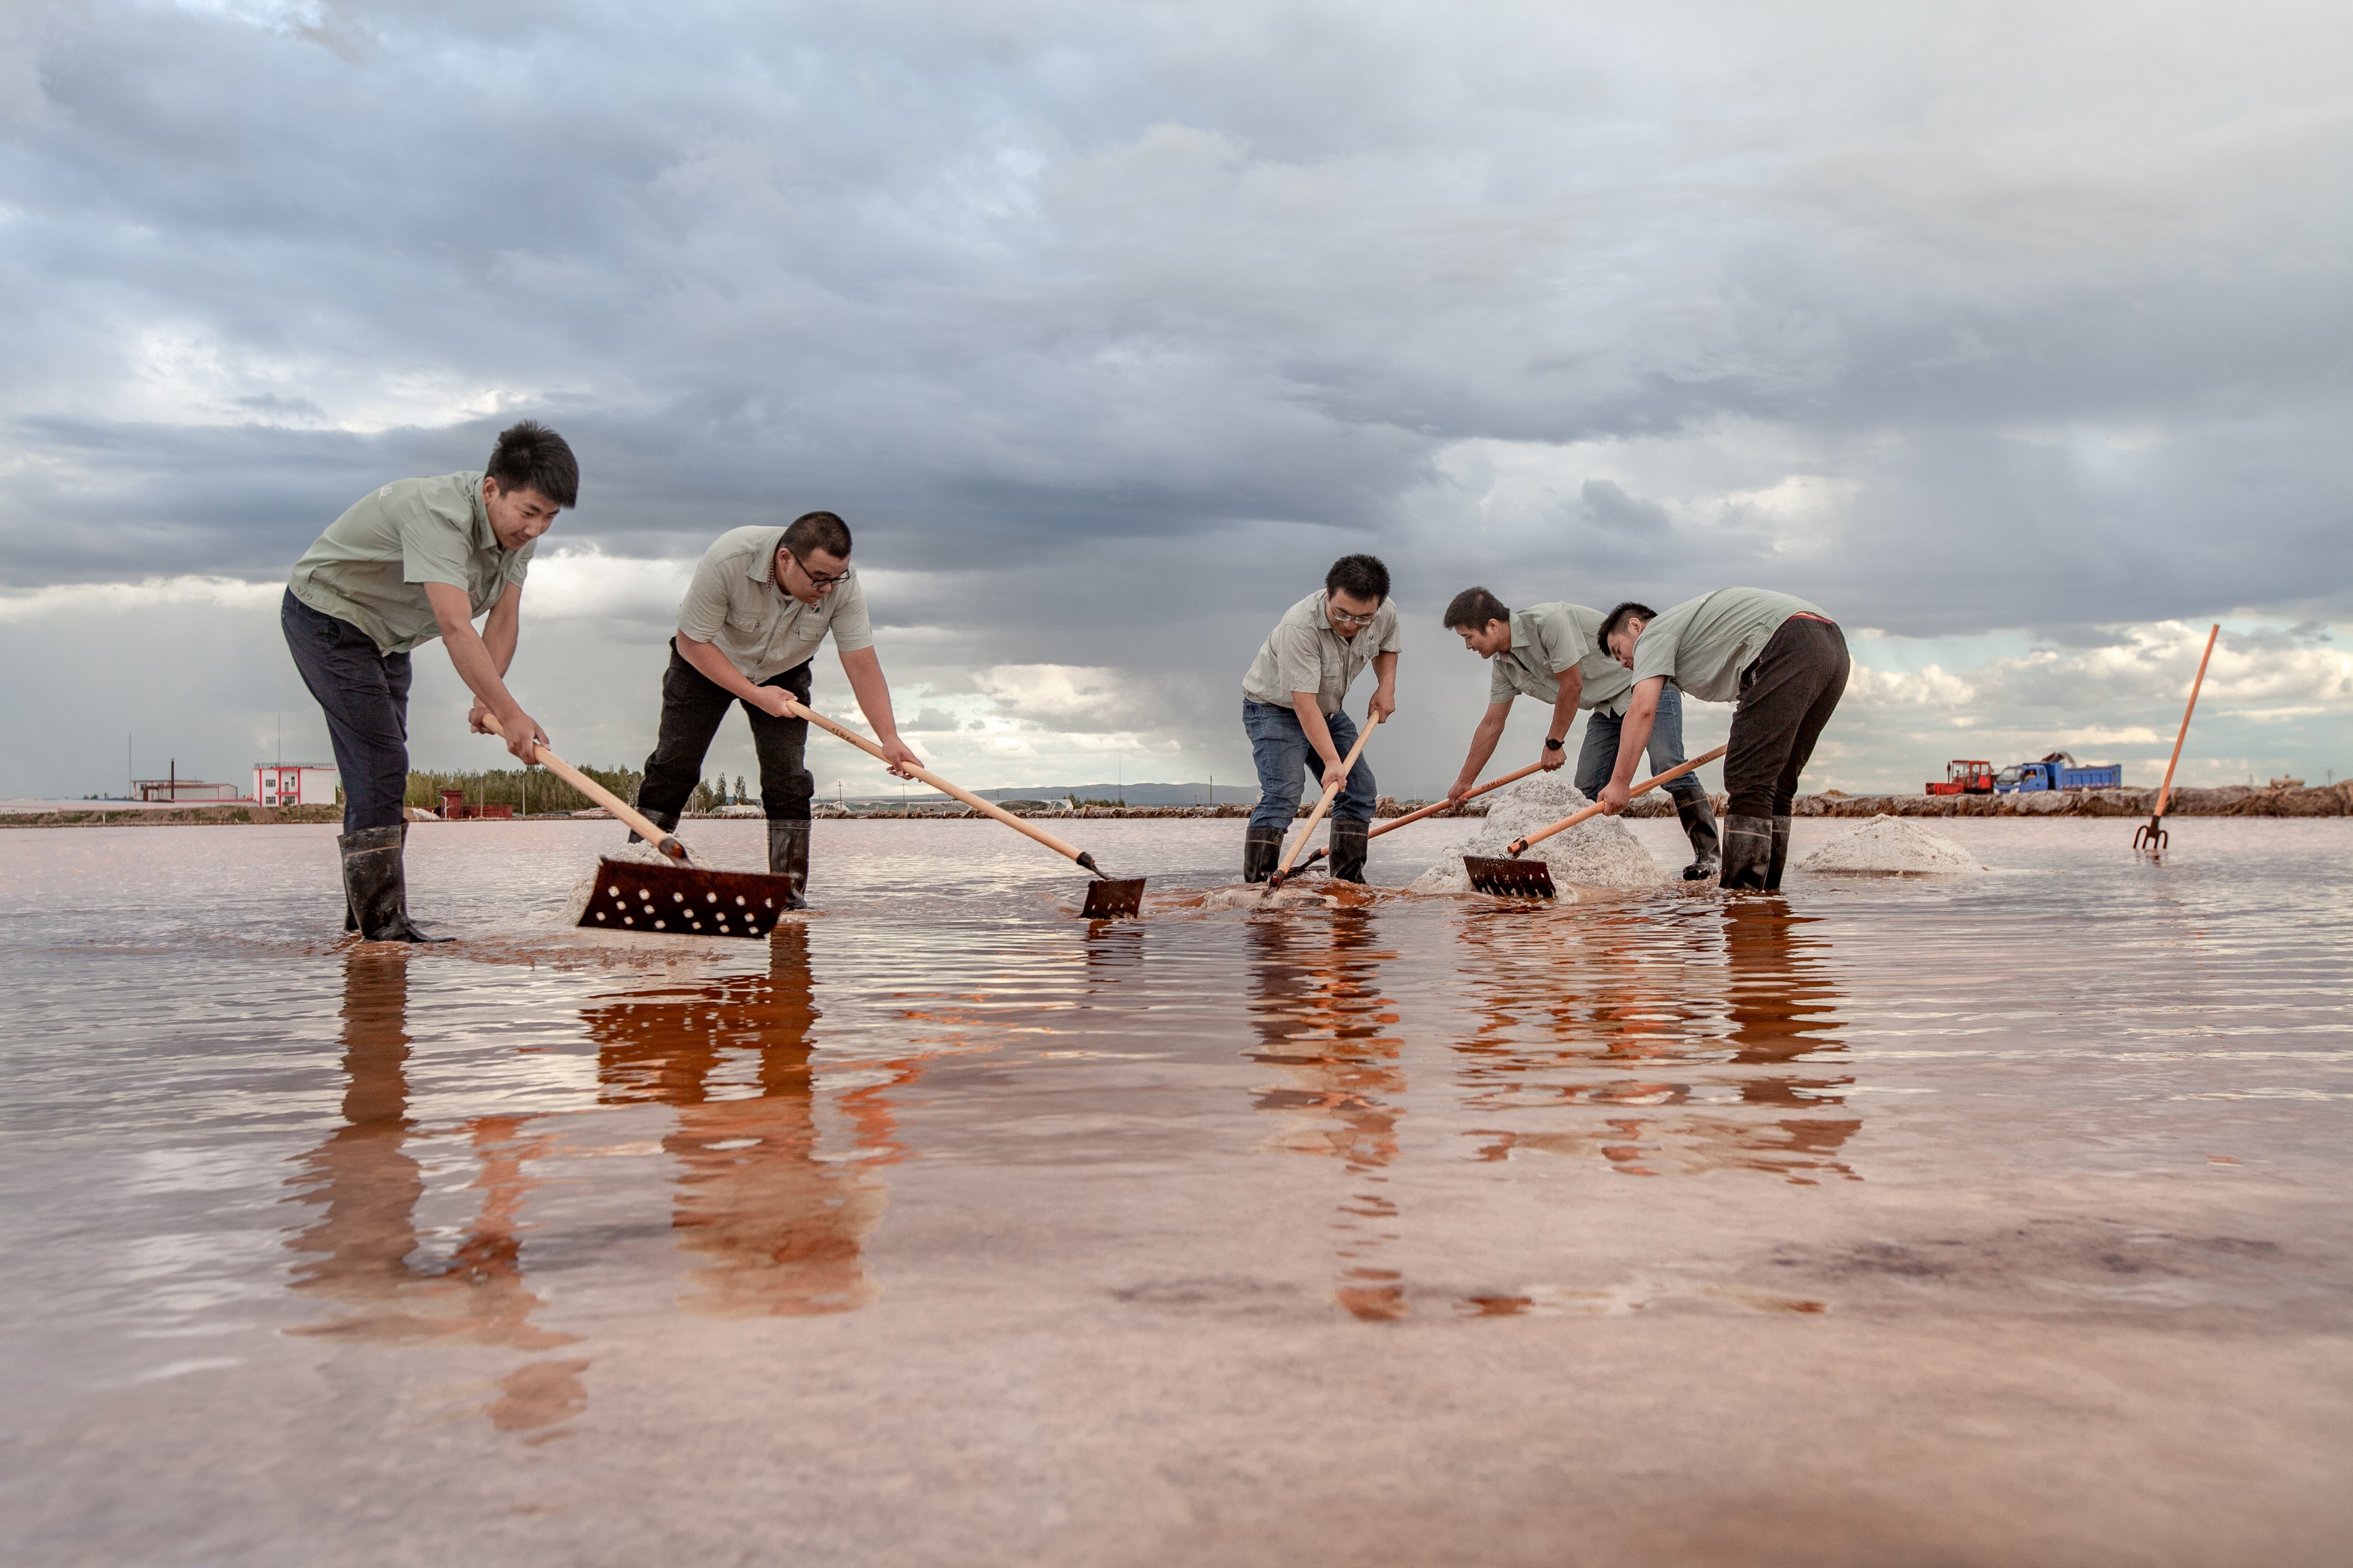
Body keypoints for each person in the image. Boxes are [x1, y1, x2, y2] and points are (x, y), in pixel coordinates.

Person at [282, 421, 577, 940]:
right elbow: (455, 625)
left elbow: (504, 618)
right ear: (491, 489)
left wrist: (482, 699)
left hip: (390, 636)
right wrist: (508, 713)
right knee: (383, 762)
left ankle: (364, 929)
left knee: (377, 769)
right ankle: (385, 929)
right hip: (328, 617)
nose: (536, 529)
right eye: (529, 512)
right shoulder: (437, 515)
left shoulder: (519, 537)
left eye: (549, 518)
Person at [632, 511, 921, 907]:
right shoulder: (728, 558)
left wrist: (889, 738)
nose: (827, 588)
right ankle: (637, 876)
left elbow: (861, 661)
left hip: (785, 670)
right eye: (819, 577)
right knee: (674, 768)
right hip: (706, 661)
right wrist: (755, 694)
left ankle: (786, 897)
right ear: (785, 559)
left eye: (836, 578)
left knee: (789, 780)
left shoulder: (842, 586)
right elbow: (691, 643)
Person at [1439, 587, 1720, 880]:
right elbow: (1492, 723)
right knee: (1585, 794)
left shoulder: (1550, 621)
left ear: (1493, 626)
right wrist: (1464, 782)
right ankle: (1598, 868)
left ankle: (1709, 856)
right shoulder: (1503, 666)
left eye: (1468, 637)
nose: (1468, 646)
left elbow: (1571, 685)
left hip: (1647, 687)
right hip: (1607, 708)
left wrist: (1554, 742)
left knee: (1669, 765)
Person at [1595, 591, 1850, 891]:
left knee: (1747, 779)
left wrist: (1620, 782)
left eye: (1618, 649)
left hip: (1787, 640)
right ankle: (1766, 899)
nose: (1623, 661)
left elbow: (1642, 708)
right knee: (1777, 783)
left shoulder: (1653, 635)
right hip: (1831, 645)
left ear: (1636, 627)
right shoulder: (1690, 630)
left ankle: (1741, 901)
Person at [1239, 553, 1399, 883]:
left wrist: (1386, 688)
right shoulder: (1300, 625)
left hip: (1328, 710)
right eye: (1341, 614)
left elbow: (1387, 645)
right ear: (1328, 593)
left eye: (1362, 619)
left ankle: (1347, 884)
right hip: (1275, 708)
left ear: (1377, 608)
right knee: (1284, 792)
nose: (1349, 625)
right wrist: (1331, 761)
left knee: (1359, 789)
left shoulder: (1385, 613)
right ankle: (1260, 884)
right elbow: (1303, 703)